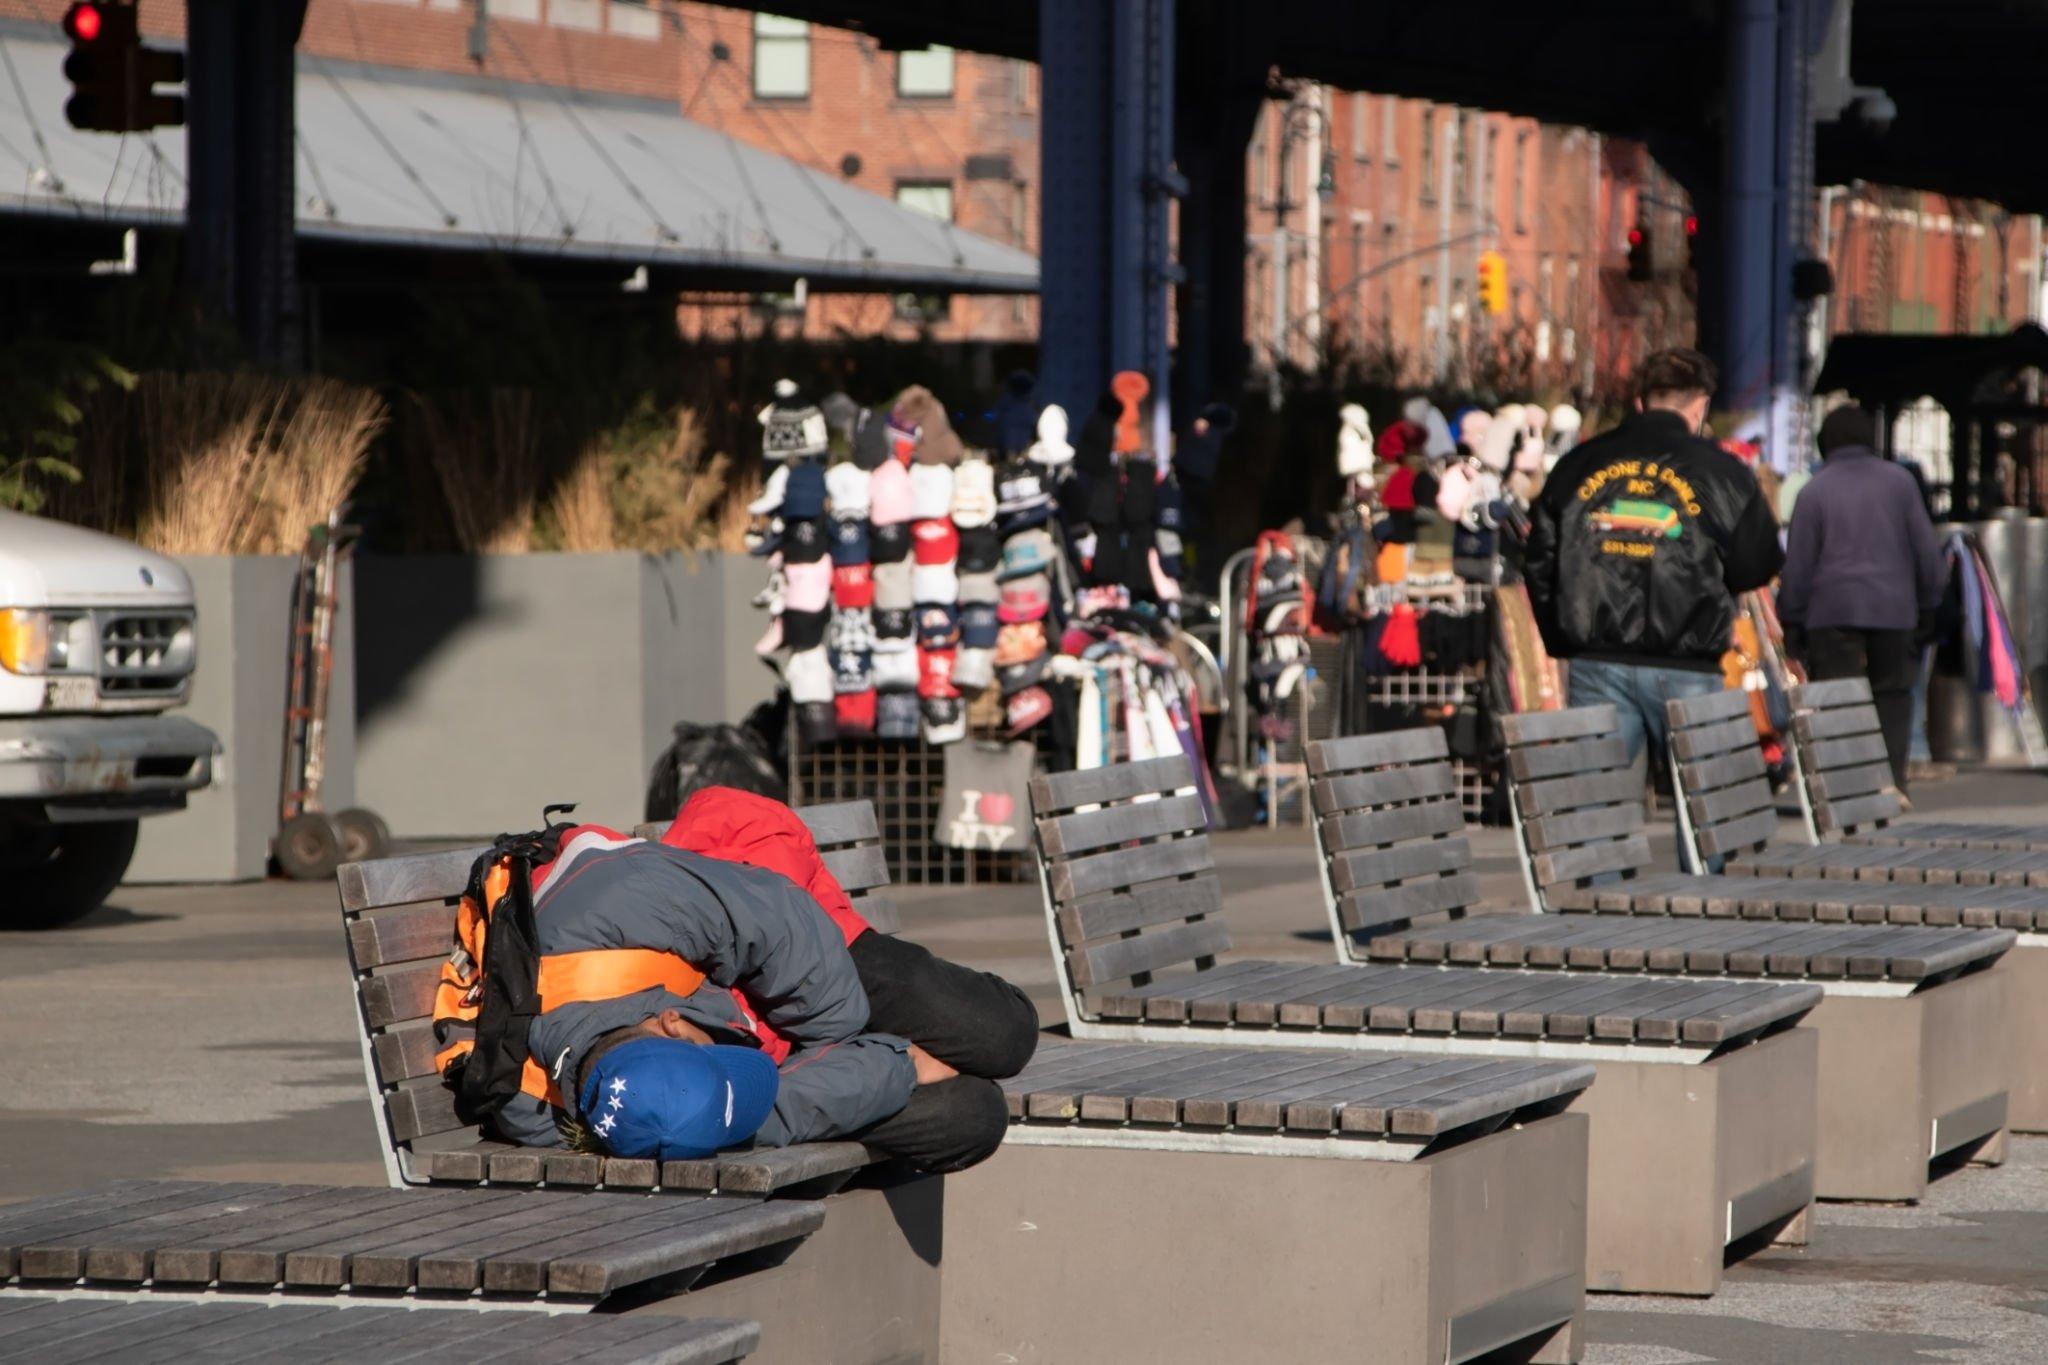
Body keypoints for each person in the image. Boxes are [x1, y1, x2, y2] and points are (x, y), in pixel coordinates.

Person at [480, 788, 1039, 1173]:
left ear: (671, 1024)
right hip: (745, 1022)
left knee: (1004, 1031)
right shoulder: (556, 1111)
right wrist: (891, 1062)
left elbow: (775, 920)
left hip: (782, 952)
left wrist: (842, 1041)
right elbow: (733, 1114)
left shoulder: (620, 905)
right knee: (970, 1118)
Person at [1524, 347, 1784, 799]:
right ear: (1699, 405)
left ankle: (1607, 875)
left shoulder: (1577, 465)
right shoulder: (1724, 472)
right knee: (1707, 817)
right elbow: (1755, 567)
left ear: (1641, 401)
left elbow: (1540, 561)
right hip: (1689, 661)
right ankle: (1700, 874)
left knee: (1598, 817)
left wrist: (1564, 638)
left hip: (1597, 658)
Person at [1775, 405, 1944, 795]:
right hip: (1894, 609)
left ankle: (1847, 788)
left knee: (1837, 699)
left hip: (1830, 613)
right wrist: (1930, 605)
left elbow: (1797, 567)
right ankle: (1891, 783)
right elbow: (1926, 552)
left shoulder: (1814, 491)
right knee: (1893, 695)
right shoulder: (1900, 483)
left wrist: (1792, 622)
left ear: (1824, 445)